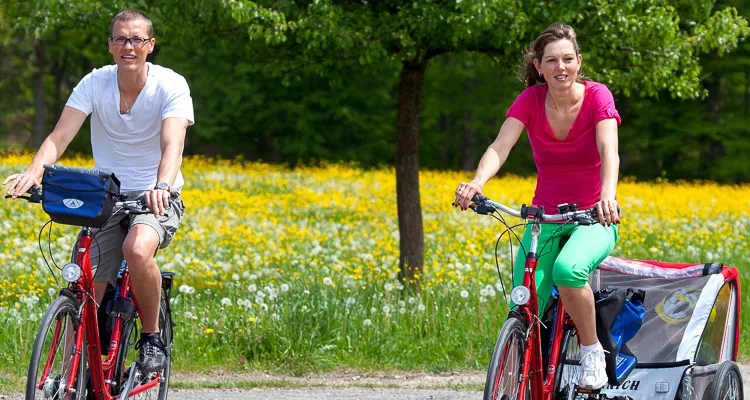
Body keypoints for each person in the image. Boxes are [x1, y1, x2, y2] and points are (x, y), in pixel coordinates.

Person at [3, 9, 193, 373]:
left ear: (150, 46)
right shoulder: (95, 83)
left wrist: (162, 186)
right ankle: (80, 366)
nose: (129, 46)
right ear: (110, 45)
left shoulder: (171, 85)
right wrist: (32, 173)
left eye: (137, 39)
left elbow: (173, 145)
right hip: (106, 198)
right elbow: (59, 137)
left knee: (136, 250)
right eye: (121, 38)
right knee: (87, 277)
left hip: (155, 196)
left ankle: (152, 337)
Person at [454, 22, 620, 390]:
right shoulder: (530, 100)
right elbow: (500, 146)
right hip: (543, 217)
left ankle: (592, 352)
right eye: (551, 61)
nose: (560, 67)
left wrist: (608, 195)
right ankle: (524, 374)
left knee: (568, 270)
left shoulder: (597, 97)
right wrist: (477, 183)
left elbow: (610, 148)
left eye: (567, 59)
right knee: (524, 300)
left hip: (593, 216)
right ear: (538, 66)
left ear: (578, 61)